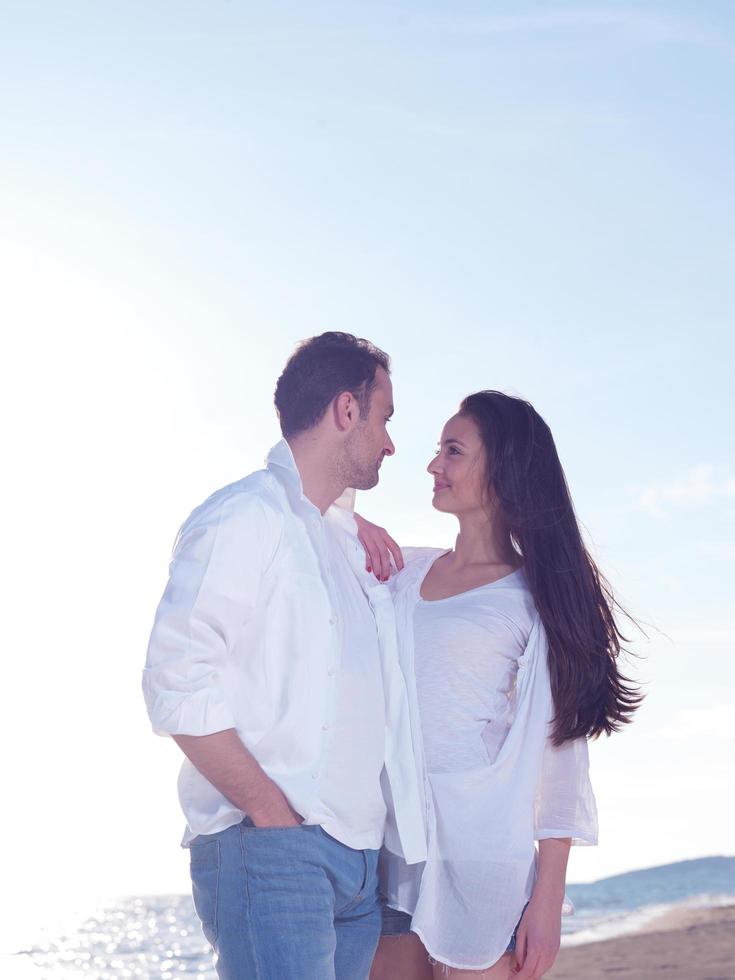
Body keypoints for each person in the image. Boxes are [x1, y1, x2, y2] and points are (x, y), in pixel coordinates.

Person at [142, 332, 426, 980]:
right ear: (346, 411)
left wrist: (352, 522)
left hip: (356, 868)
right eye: (383, 418)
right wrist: (273, 815)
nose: (389, 441)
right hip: (275, 853)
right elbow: (173, 678)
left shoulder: (340, 541)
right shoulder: (244, 516)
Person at [358, 391, 642, 980]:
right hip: (393, 848)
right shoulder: (403, 573)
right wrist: (346, 519)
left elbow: (561, 756)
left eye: (454, 451)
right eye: (439, 450)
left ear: (504, 470)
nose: (434, 465)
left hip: (484, 860)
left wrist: (547, 901)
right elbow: (313, 540)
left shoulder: (532, 601)